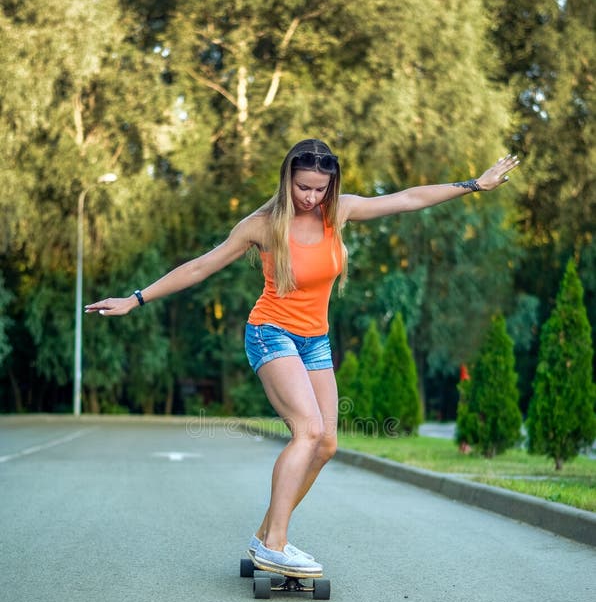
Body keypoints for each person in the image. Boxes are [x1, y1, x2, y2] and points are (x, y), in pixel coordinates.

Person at [85, 139, 519, 577]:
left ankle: (264, 538)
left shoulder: (339, 212)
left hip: (315, 341)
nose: (311, 198)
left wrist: (475, 186)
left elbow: (406, 199)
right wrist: (135, 299)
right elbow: (200, 266)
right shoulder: (262, 225)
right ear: (287, 179)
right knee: (307, 432)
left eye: (320, 189)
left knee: (326, 443)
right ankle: (276, 543)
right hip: (270, 333)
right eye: (303, 188)